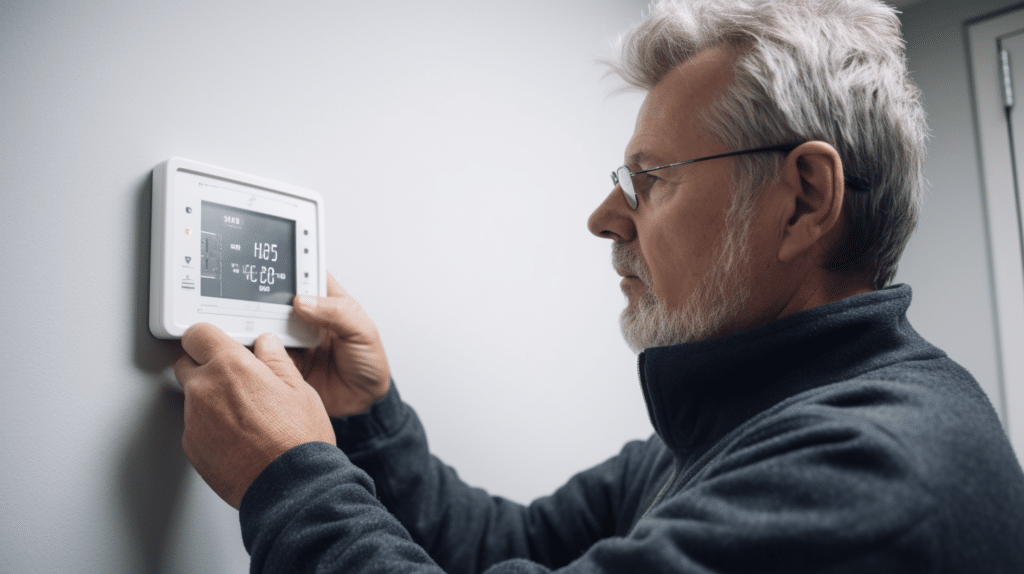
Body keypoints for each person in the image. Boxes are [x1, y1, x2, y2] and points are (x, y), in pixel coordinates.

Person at [174, 0, 1024, 572]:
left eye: (652, 178)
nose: (604, 218)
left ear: (803, 198)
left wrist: (288, 480)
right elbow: (508, 543)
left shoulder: (872, 472)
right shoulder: (736, 417)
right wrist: (369, 419)